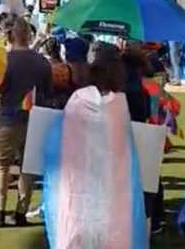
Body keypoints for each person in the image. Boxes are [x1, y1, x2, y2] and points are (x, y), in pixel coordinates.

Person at [42, 54, 147, 249]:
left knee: (78, 226)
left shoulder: (80, 99)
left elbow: (63, 136)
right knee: (110, 229)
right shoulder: (118, 103)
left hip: (79, 179)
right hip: (109, 181)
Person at [0, 17, 52, 227]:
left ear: (10, 36)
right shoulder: (42, 62)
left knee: (1, 163)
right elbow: (48, 92)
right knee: (27, 166)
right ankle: (21, 211)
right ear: (29, 35)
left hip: (8, 117)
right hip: (34, 118)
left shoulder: (5, 60)